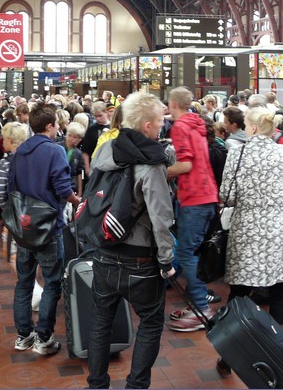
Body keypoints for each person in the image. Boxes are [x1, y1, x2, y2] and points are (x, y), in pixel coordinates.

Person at [219, 107, 283, 361]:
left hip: (248, 228)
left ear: (253, 128)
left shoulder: (237, 153)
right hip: (281, 226)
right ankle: (281, 349)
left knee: (240, 292)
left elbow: (227, 195)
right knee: (281, 289)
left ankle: (230, 352)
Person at [86, 92, 176, 389]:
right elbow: (161, 217)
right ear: (148, 126)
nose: (163, 126)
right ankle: (136, 386)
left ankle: (97, 384)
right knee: (150, 323)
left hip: (104, 249)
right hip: (141, 258)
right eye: (161, 121)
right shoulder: (151, 164)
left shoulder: (106, 150)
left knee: (101, 322)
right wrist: (166, 260)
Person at [1, 103, 80, 356]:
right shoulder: (55, 151)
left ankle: (23, 335)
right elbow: (63, 188)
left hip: (24, 227)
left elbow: (11, 187)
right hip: (48, 227)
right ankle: (43, 338)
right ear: (49, 126)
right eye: (56, 124)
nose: (58, 129)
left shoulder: (21, 150)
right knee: (52, 281)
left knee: (24, 282)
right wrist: (77, 201)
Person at [166, 87, 219, 332]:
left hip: (194, 198)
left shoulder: (179, 127)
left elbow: (185, 164)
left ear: (172, 103)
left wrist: (162, 172)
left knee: (186, 254)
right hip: (207, 196)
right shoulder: (196, 123)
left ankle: (201, 307)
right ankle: (197, 304)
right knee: (190, 252)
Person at [82, 101, 111, 175]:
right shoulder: (91, 129)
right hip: (94, 165)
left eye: (100, 115)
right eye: (96, 116)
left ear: (106, 112)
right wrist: (87, 169)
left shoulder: (113, 127)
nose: (98, 119)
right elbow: (85, 151)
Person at [58, 122, 86, 197]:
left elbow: (79, 173)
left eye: (75, 137)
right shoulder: (57, 147)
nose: (71, 139)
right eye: (69, 135)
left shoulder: (78, 153)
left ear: (80, 139)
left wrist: (80, 193)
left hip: (71, 187)